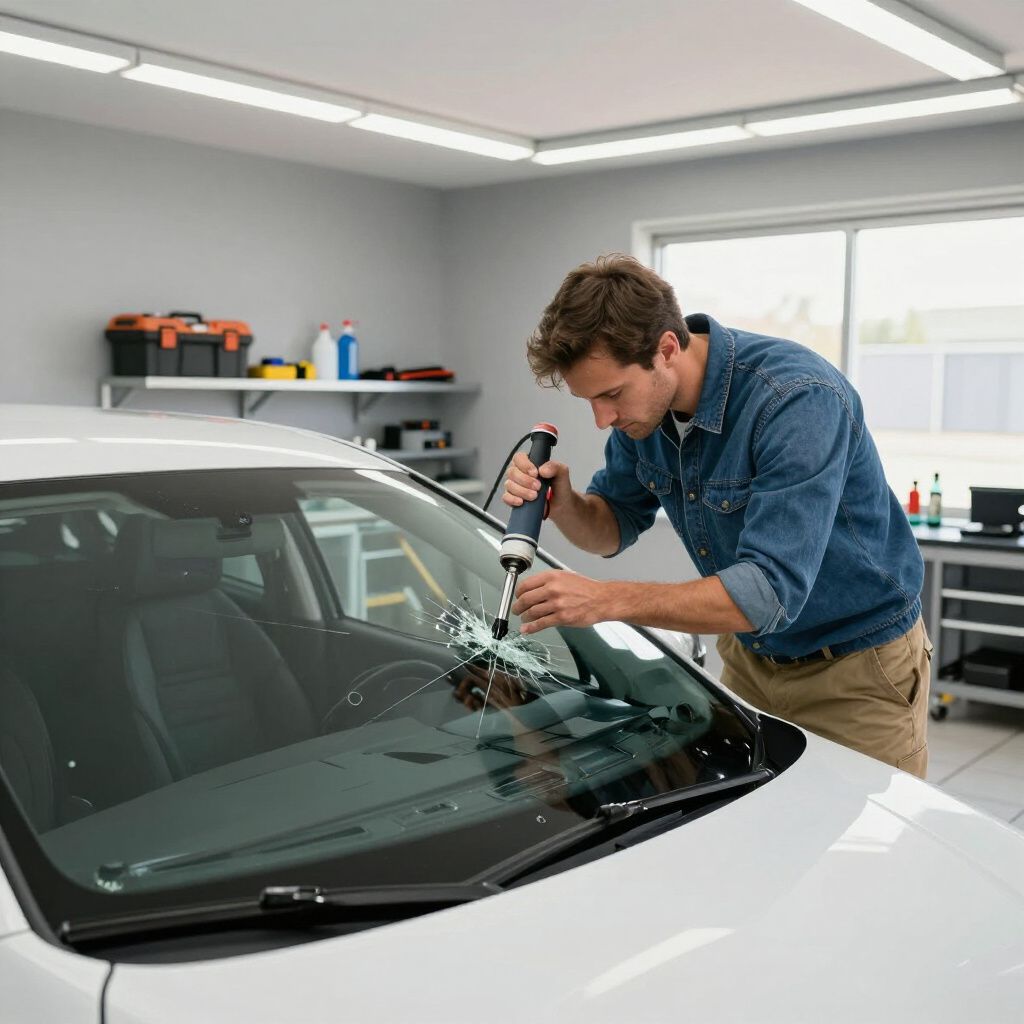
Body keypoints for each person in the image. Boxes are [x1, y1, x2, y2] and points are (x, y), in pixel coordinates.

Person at [504, 253, 931, 778]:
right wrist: (564, 503)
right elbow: (610, 529)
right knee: (755, 840)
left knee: (861, 856)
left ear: (666, 348)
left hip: (856, 669)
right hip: (751, 662)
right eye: (589, 400)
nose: (602, 420)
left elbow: (766, 592)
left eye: (612, 395)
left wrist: (605, 599)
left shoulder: (796, 400)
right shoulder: (642, 418)